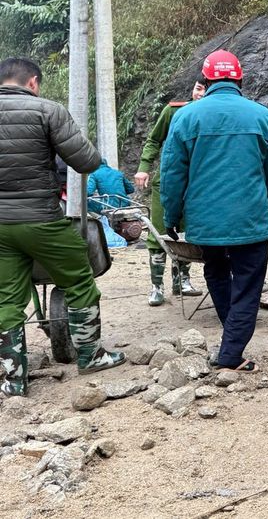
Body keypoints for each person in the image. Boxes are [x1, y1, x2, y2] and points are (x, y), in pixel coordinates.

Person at [0, 58, 125, 396]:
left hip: (1, 228)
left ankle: (14, 380)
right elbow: (86, 161)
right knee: (80, 279)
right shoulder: (47, 111)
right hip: (41, 219)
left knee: (7, 300)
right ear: (33, 83)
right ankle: (91, 356)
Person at [161, 50, 268, 372]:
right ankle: (231, 352)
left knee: (216, 272)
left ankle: (231, 340)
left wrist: (171, 217)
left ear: (205, 81)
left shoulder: (186, 117)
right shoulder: (262, 116)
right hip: (249, 220)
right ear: (240, 79)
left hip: (206, 223)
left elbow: (173, 175)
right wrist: (263, 201)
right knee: (248, 285)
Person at [134, 79, 206, 306]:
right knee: (159, 231)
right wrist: (144, 168)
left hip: (197, 185)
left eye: (205, 89)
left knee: (187, 233)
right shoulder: (173, 111)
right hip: (166, 182)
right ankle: (157, 287)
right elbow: (154, 140)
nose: (200, 94)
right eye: (197, 88)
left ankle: (182, 281)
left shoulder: (212, 114)